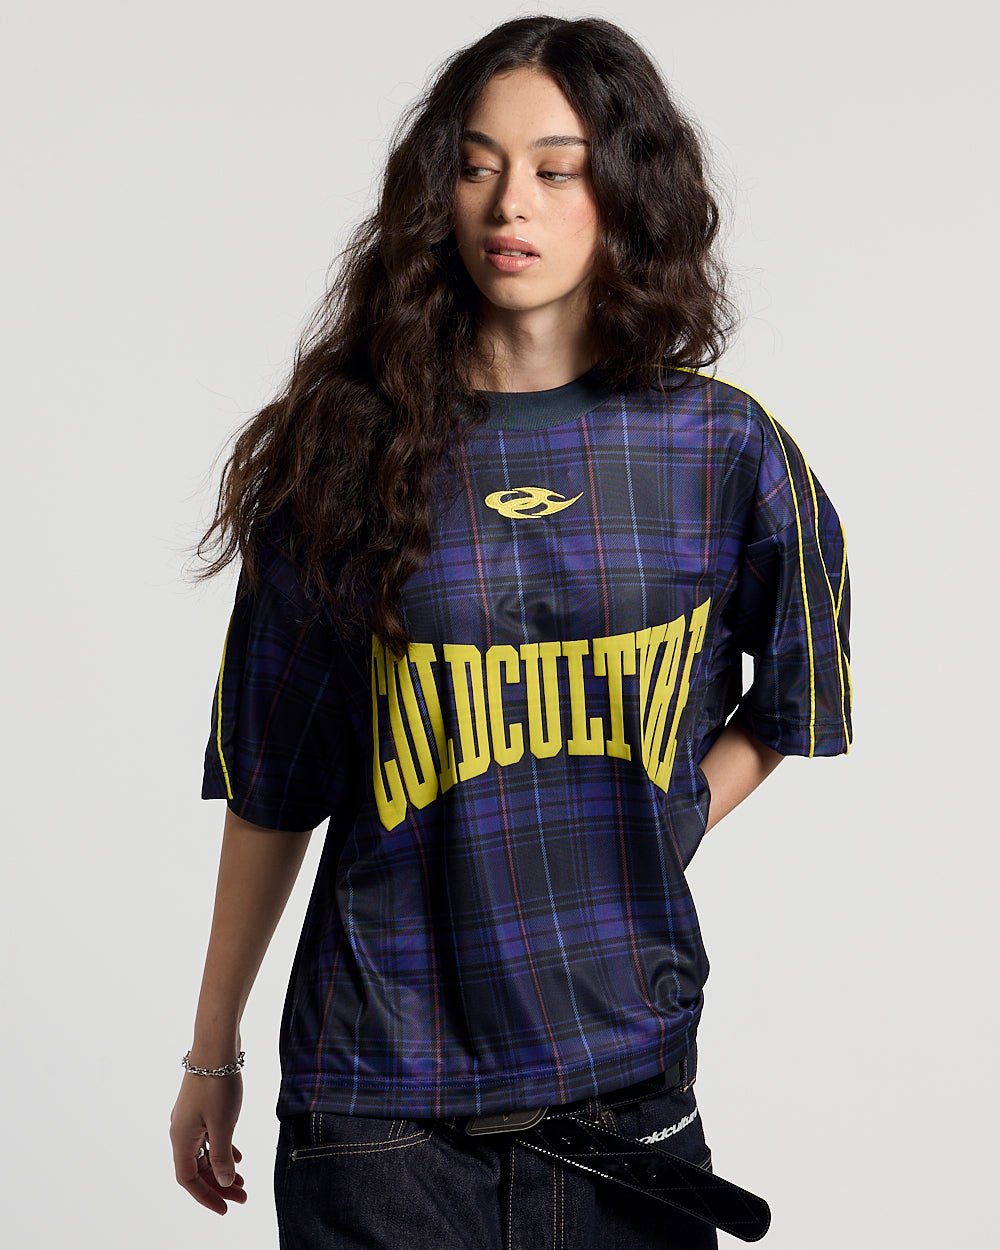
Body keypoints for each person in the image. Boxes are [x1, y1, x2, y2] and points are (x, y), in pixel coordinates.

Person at [169, 14, 852, 1249]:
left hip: (626, 1093)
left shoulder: (719, 449)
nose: (509, 203)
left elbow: (797, 692)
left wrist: (673, 805)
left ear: (625, 190)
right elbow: (273, 781)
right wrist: (211, 1048)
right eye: (476, 165)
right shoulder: (345, 450)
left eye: (556, 167)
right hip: (380, 1110)